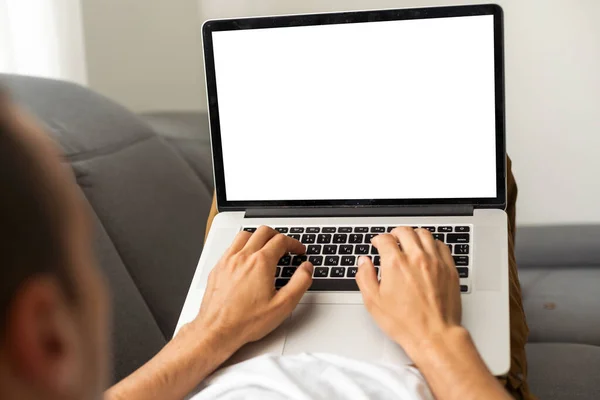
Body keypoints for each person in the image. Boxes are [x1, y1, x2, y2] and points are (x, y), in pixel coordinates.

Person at [0, 88, 534, 400]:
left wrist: (211, 333)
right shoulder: (437, 343)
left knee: (249, 204)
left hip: (225, 354)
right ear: (47, 338)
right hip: (439, 372)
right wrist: (436, 334)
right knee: (486, 169)